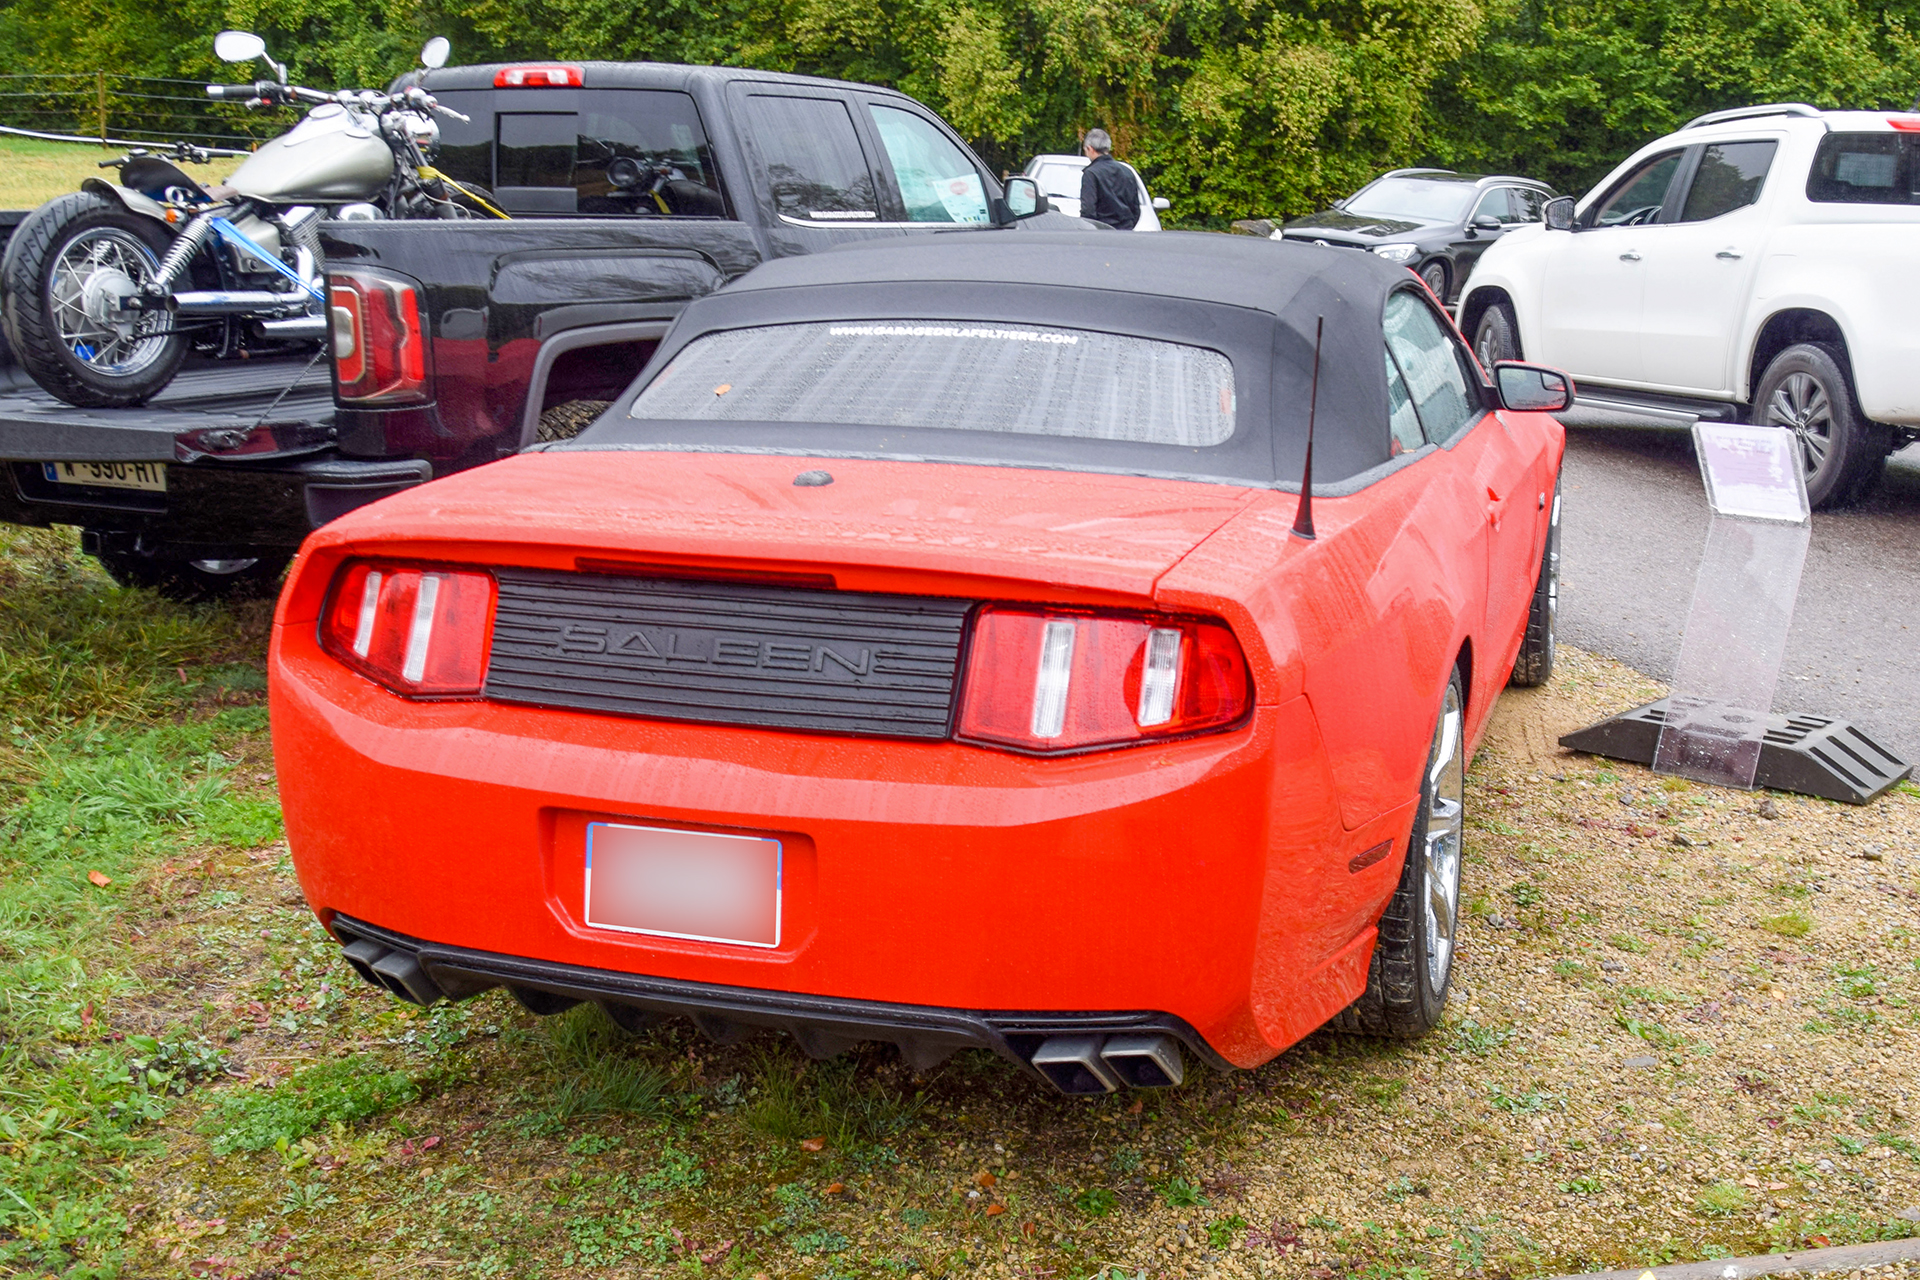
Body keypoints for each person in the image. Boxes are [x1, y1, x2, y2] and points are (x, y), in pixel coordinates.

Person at [1077, 128, 1141, 231]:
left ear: (1090, 149)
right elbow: (1135, 209)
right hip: (1126, 231)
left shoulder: (1091, 174)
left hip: (1101, 232)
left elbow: (1088, 211)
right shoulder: (1127, 172)